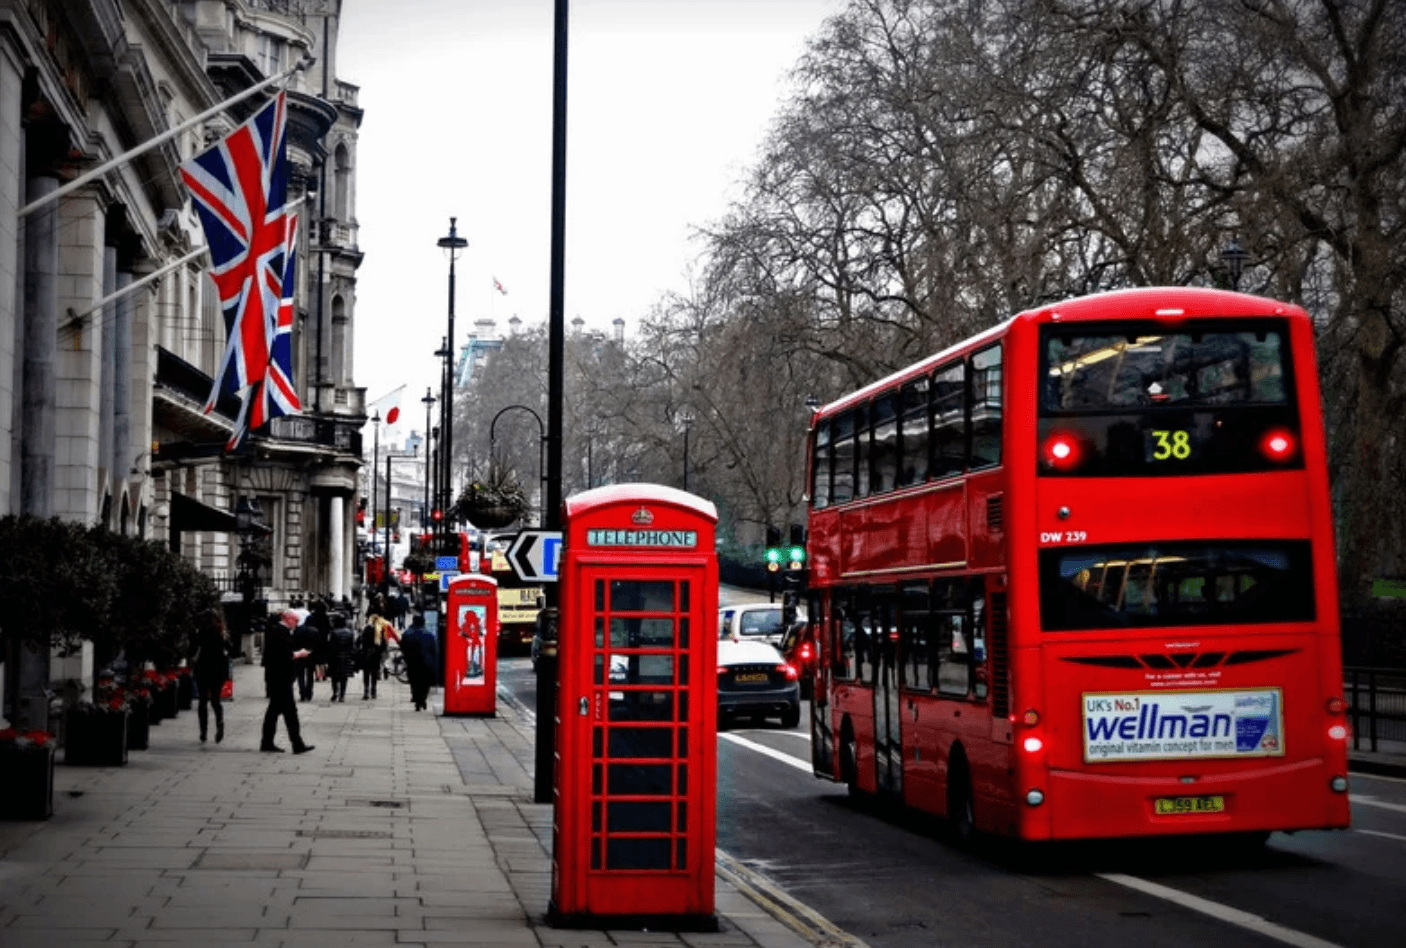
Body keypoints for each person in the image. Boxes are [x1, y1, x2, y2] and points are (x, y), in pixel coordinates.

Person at [261, 610, 315, 754]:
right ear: (288, 619)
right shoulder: (281, 631)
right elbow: (285, 656)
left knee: (279, 711)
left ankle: (272, 742)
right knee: (286, 712)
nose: (297, 624)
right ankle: (295, 744)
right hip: (281, 678)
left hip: (278, 677)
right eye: (295, 621)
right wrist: (300, 653)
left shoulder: (278, 630)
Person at [191, 609, 231, 744]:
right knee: (215, 700)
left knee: (202, 701)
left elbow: (194, 649)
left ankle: (203, 732)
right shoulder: (221, 632)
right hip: (218, 670)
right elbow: (229, 648)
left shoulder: (201, 632)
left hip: (203, 669)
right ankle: (219, 722)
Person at [400, 610, 438, 711]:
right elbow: (434, 650)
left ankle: (416, 699)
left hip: (412, 661)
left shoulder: (407, 633)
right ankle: (423, 698)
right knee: (425, 682)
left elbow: (402, 646)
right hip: (426, 662)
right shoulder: (429, 634)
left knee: (414, 681)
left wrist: (406, 656)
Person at [358, 611, 390, 699]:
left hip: (366, 654)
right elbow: (383, 643)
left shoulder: (366, 629)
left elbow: (361, 641)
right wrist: (381, 652)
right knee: (374, 673)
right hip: (376, 655)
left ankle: (366, 691)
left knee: (366, 673)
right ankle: (373, 691)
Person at [326, 612, 357, 702]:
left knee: (334, 677)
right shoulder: (350, 633)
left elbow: (331, 646)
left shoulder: (334, 632)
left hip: (335, 657)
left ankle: (335, 692)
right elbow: (352, 646)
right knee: (344, 677)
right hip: (346, 657)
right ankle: (342, 695)